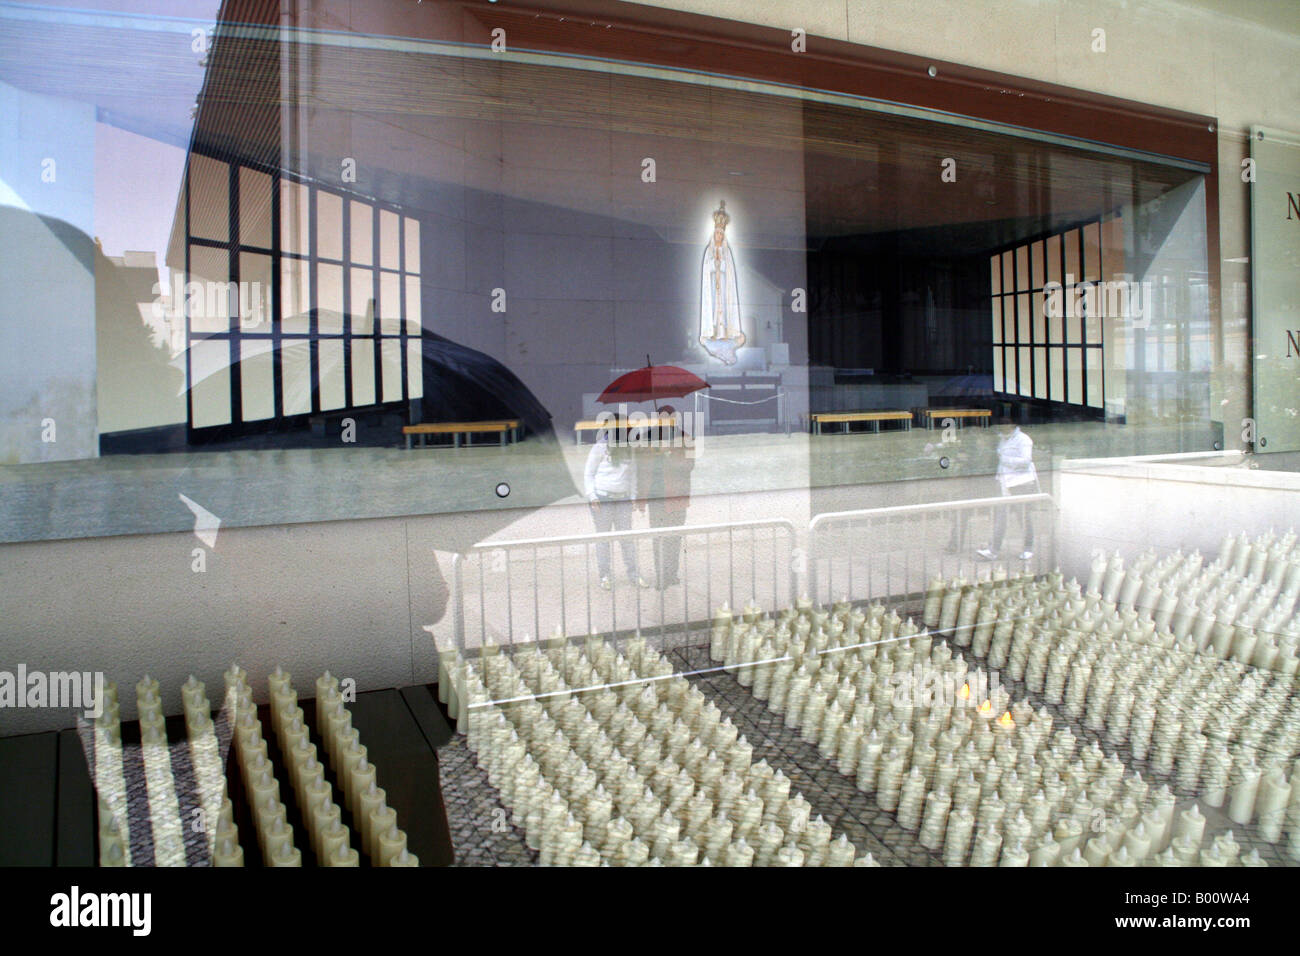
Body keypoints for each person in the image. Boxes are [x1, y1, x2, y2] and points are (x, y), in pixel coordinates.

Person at [638, 406, 695, 589]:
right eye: (661, 417)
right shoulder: (647, 437)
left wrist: (669, 453)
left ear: (675, 418)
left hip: (677, 497)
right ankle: (661, 576)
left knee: (674, 537)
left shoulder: (686, 437)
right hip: (656, 497)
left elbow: (689, 465)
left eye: (669, 417)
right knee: (658, 537)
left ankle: (671, 574)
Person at [584, 430, 649, 590]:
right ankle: (605, 576)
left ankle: (634, 575)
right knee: (604, 540)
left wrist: (633, 497)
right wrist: (592, 496)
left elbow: (632, 475)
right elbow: (588, 473)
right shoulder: (600, 447)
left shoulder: (629, 448)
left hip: (623, 500)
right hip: (602, 499)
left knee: (627, 539)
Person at [977, 417, 1038, 561]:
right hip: (1005, 483)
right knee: (1000, 518)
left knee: (1023, 517)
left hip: (1021, 484)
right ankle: (993, 550)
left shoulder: (1023, 439)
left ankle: (1028, 548)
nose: (1001, 430)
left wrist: (1005, 460)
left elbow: (1025, 461)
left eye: (1004, 427)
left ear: (1012, 426)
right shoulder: (1003, 439)